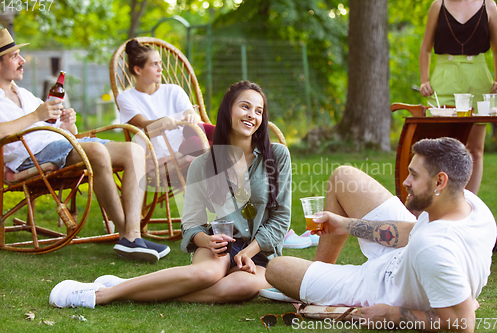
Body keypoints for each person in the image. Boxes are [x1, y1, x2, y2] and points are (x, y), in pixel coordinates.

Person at [49, 80, 292, 308]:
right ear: (228, 110)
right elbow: (191, 225)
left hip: (260, 254)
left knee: (241, 287)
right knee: (207, 274)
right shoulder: (202, 165)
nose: (252, 115)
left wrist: (247, 253)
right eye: (245, 106)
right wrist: (206, 241)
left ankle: (124, 286)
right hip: (218, 247)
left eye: (259, 111)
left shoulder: (276, 156)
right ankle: (102, 295)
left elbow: (281, 218)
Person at [266, 137, 496, 332]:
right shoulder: (471, 204)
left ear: (440, 181)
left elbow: (463, 322)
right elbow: (411, 231)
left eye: (414, 176)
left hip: (385, 284)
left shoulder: (432, 248)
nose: (405, 182)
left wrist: (393, 315)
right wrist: (347, 225)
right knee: (344, 178)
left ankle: (316, 286)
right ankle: (319, 273)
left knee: (276, 268)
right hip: (409, 258)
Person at [0, 28, 169, 262]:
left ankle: (132, 236)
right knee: (97, 151)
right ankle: (129, 238)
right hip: (31, 157)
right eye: (15, 56)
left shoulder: (25, 94)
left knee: (134, 150)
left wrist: (68, 125)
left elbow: (53, 125)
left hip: (59, 144)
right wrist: (36, 116)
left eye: (20, 54)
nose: (22, 60)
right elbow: (22, 125)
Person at [419, 0, 497, 194]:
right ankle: (436, 203)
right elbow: (426, 48)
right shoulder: (438, 5)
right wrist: (424, 80)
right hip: (444, 78)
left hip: (479, 79)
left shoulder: (488, 5)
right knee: (438, 150)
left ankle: (468, 206)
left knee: (475, 149)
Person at [117, 39, 215, 168]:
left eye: (160, 63)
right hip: (165, 151)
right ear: (138, 70)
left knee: (202, 132)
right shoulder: (126, 97)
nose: (161, 69)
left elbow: (191, 113)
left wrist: (191, 114)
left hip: (188, 137)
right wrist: (163, 121)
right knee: (197, 142)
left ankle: (228, 148)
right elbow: (143, 125)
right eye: (154, 64)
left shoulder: (173, 90)